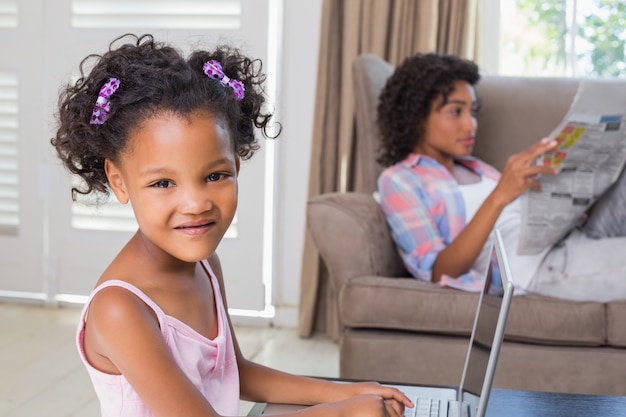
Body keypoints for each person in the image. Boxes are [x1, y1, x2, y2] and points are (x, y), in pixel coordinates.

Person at [51, 33, 413, 417]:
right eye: (163, 183)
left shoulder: (206, 266)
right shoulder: (120, 308)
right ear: (119, 181)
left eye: (214, 176)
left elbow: (233, 372)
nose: (195, 204)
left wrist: (345, 392)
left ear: (236, 166)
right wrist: (344, 412)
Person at [375, 52, 626, 302]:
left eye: (473, 112)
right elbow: (440, 271)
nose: (471, 124)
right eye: (455, 112)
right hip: (541, 268)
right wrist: (499, 196)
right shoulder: (400, 180)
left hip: (571, 239)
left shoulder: (478, 168)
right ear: (416, 117)